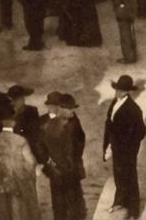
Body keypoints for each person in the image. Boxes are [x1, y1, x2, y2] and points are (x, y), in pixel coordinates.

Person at [0, 105, 40, 220]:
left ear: (0, 122)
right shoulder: (21, 141)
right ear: (14, 122)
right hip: (17, 188)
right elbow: (30, 164)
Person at [103, 75, 146, 219]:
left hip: (126, 151)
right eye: (117, 89)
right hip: (116, 148)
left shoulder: (133, 109)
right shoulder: (115, 102)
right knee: (119, 176)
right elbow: (109, 124)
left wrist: (129, 148)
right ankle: (120, 201)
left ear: (128, 91)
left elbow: (141, 131)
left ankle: (133, 211)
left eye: (121, 90)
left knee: (130, 178)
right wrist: (108, 145)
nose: (118, 92)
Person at [41, 92, 87, 220]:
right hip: (56, 169)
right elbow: (40, 146)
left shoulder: (73, 120)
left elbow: (80, 139)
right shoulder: (45, 123)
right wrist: (49, 161)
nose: (72, 111)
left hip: (72, 168)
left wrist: (75, 157)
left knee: (75, 201)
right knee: (59, 201)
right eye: (50, 105)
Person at [110, 0, 140, 64]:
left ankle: (128, 57)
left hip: (124, 9)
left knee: (125, 34)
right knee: (131, 32)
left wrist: (119, 5)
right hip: (133, 7)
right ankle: (134, 54)